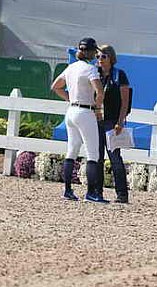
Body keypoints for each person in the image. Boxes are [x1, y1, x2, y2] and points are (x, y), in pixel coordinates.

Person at [51, 37, 107, 203]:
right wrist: (98, 109)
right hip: (85, 112)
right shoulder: (90, 70)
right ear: (90, 52)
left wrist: (70, 98)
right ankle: (91, 193)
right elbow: (100, 92)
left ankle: (67, 190)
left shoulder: (70, 68)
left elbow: (55, 87)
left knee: (72, 151)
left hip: (71, 111)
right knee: (93, 154)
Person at [96, 45, 130, 204]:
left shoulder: (119, 75)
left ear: (111, 58)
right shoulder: (95, 75)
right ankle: (97, 192)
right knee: (97, 157)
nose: (100, 60)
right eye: (98, 57)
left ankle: (122, 194)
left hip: (111, 122)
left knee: (115, 158)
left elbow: (125, 101)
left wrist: (120, 121)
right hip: (96, 121)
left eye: (103, 56)